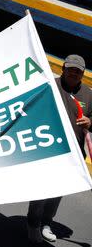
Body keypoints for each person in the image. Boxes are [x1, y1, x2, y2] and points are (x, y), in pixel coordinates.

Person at [27, 54, 91, 243]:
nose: (73, 73)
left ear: (82, 74)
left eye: (77, 71)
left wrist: (90, 121)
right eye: (70, 69)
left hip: (73, 153)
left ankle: (47, 223)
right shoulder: (50, 86)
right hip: (49, 149)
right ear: (63, 68)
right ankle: (33, 224)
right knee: (43, 190)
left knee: (58, 191)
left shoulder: (89, 94)